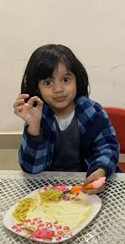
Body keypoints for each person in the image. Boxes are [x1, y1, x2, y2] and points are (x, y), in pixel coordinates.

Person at [13, 44, 119, 194]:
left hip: (87, 183)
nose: (58, 89)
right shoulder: (38, 116)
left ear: (77, 79)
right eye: (48, 83)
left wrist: (100, 170)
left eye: (66, 79)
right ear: (37, 88)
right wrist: (34, 129)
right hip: (49, 188)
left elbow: (108, 148)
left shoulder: (93, 112)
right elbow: (31, 168)